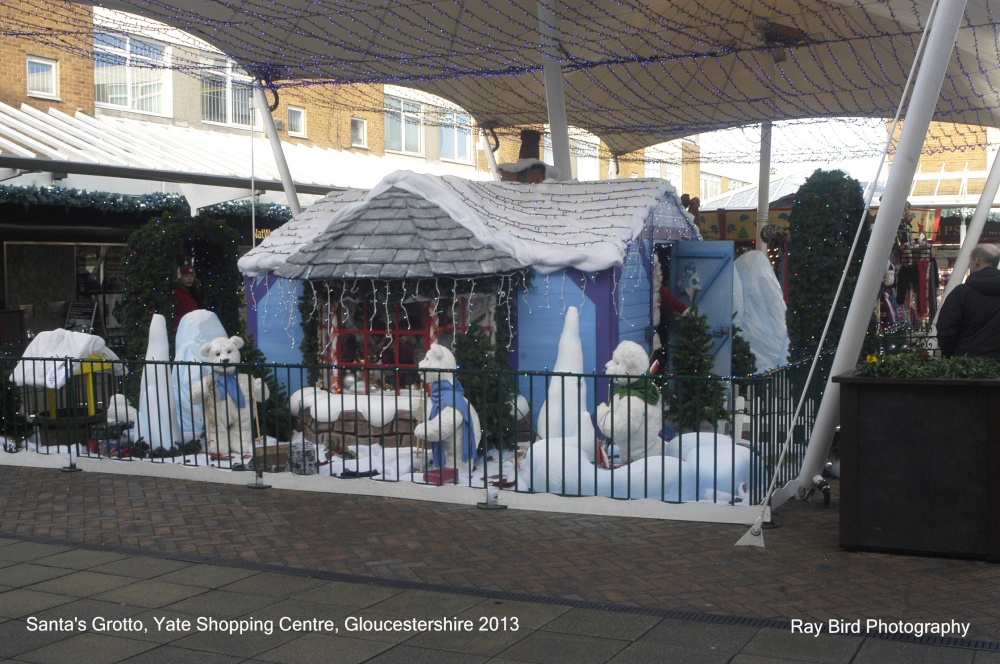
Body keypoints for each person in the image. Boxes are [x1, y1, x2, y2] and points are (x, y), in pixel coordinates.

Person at [936, 243, 1000, 359]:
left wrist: (952, 354)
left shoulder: (961, 293)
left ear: (977, 260)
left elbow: (946, 328)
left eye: (970, 260)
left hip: (967, 362)